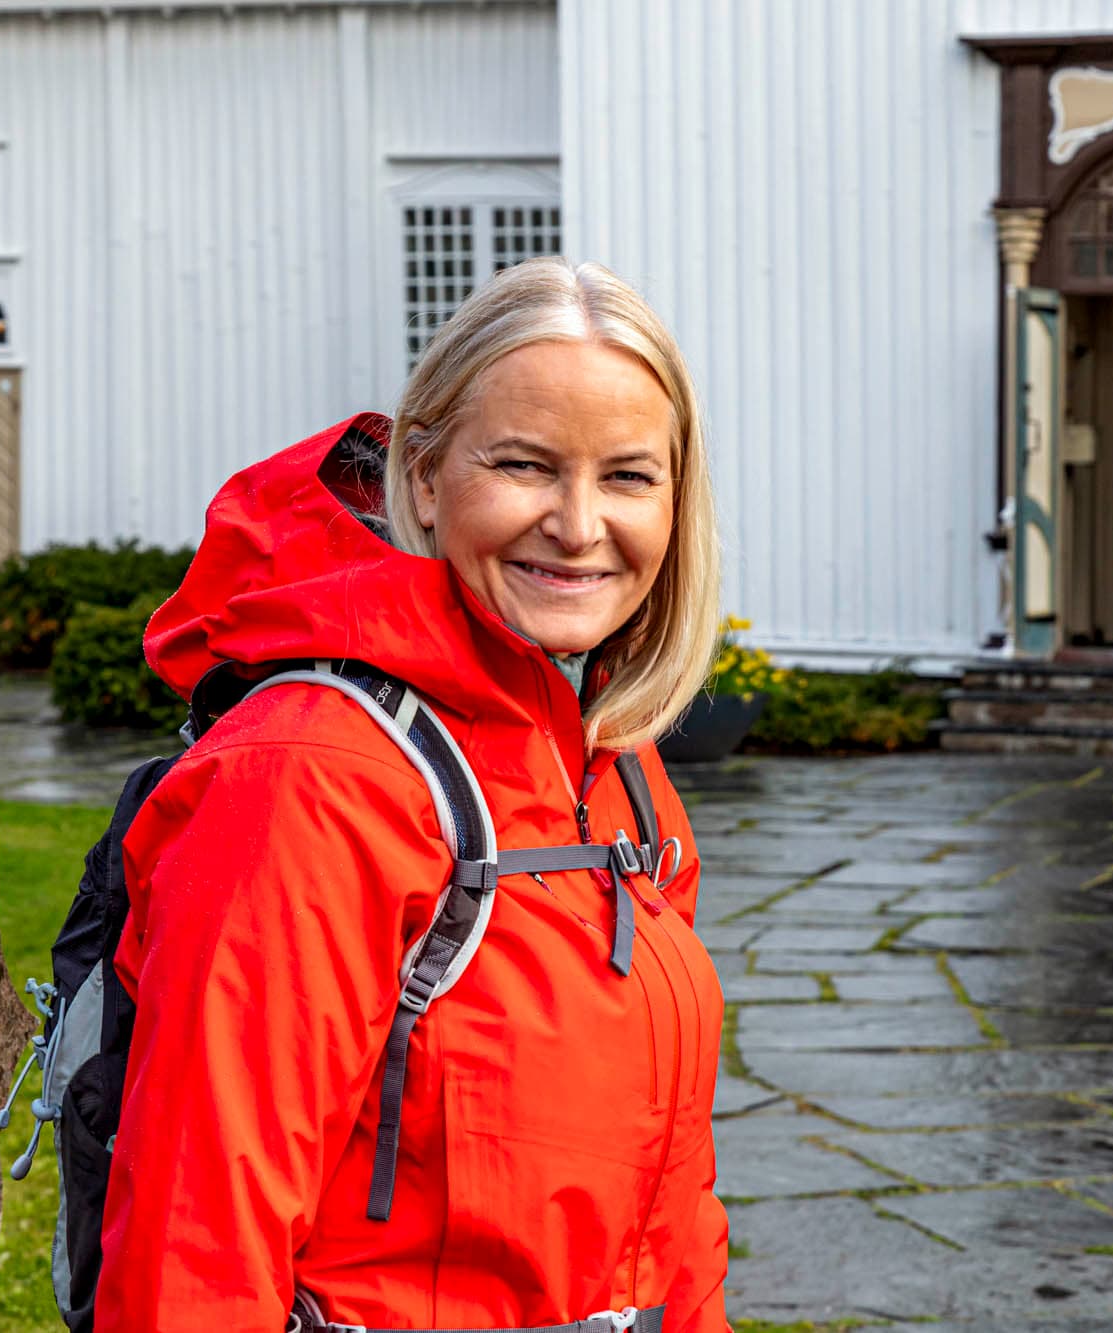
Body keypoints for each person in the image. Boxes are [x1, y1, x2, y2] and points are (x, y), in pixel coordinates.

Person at [94, 257, 730, 1331]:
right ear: (426, 477)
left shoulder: (614, 764)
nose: (578, 526)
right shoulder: (311, 774)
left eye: (627, 477)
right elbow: (194, 1239)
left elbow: (670, 1205)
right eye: (525, 466)